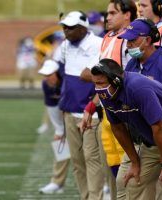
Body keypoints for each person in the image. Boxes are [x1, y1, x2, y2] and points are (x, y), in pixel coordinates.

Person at [91, 58, 162, 200]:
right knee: (133, 180)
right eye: (95, 83)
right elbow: (117, 128)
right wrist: (135, 162)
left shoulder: (138, 88)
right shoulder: (108, 94)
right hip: (154, 138)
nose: (98, 89)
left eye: (100, 83)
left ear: (116, 81)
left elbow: (160, 127)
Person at [80, 1, 137, 199]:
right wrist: (90, 106)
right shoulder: (106, 38)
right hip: (108, 111)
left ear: (128, 15)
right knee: (113, 162)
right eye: (108, 13)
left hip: (126, 111)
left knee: (129, 168)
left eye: (113, 13)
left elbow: (132, 78)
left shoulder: (131, 39)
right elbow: (104, 82)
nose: (108, 16)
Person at [54, 11, 104, 200]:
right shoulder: (65, 45)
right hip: (70, 111)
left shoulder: (98, 44)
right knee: (77, 161)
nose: (66, 31)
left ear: (83, 28)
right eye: (64, 27)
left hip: (89, 112)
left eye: (71, 27)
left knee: (92, 160)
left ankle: (95, 197)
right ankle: (86, 196)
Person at [37, 59, 70, 194]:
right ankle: (57, 183)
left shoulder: (67, 82)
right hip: (63, 114)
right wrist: (59, 130)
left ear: (57, 73)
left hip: (78, 114)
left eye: (49, 75)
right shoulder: (46, 85)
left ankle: (102, 186)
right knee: (60, 146)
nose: (47, 78)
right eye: (45, 75)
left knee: (87, 155)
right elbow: (52, 108)